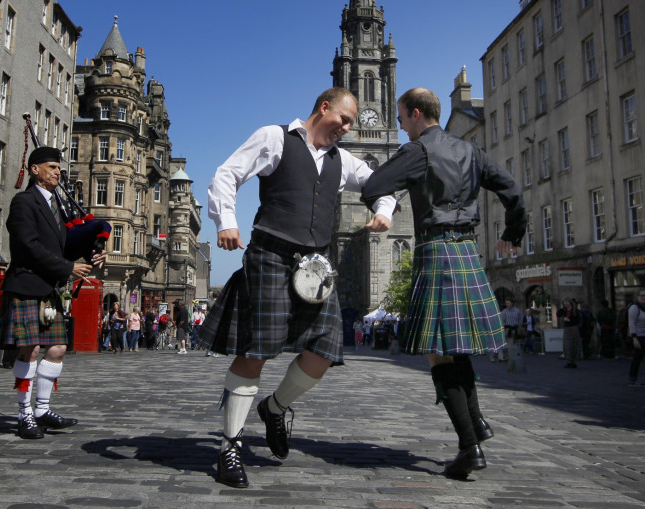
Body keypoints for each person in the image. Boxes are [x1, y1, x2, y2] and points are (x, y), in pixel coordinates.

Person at [196, 87, 395, 488]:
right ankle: (229, 447)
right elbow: (227, 174)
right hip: (270, 255)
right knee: (258, 351)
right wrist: (226, 222)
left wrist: (383, 210)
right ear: (324, 108)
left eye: (351, 123)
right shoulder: (275, 138)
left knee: (324, 351)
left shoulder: (345, 161)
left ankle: (275, 407)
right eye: (344, 119)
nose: (346, 127)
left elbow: (381, 185)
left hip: (316, 268)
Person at [362, 88, 525, 478]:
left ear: (417, 114)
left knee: (439, 350)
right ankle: (477, 423)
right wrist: (515, 233)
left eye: (401, 119)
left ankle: (469, 447)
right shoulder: (470, 150)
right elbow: (513, 191)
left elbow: (371, 188)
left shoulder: (416, 152)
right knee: (459, 347)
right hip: (468, 250)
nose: (400, 126)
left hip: (437, 250)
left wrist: (391, 205)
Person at [0, 146, 106, 439]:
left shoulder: (57, 204)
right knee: (29, 350)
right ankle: (24, 415)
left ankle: (42, 410)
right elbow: (28, 246)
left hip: (48, 287)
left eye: (59, 168)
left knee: (57, 349)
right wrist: (67, 267)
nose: (58, 172)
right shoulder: (23, 203)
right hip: (27, 283)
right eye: (52, 166)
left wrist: (92, 250)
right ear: (35, 170)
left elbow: (64, 244)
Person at [557, 298, 581, 369]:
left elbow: (578, 320)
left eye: (567, 302)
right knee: (567, 345)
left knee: (574, 344)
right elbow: (558, 314)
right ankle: (569, 361)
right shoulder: (564, 310)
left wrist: (570, 320)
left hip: (573, 328)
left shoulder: (576, 311)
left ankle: (573, 361)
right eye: (564, 303)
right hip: (567, 329)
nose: (566, 304)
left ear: (570, 303)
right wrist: (562, 309)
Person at [627, 290, 645, 385]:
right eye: (642, 295)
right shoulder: (634, 308)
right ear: (637, 297)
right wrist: (634, 337)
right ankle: (632, 378)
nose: (644, 297)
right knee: (638, 357)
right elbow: (631, 323)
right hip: (638, 336)